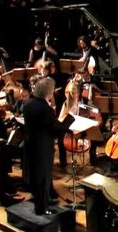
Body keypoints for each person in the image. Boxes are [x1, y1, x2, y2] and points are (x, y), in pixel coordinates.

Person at [23, 77, 76, 215]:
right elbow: (57, 129)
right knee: (43, 178)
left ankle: (45, 200)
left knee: (38, 177)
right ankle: (41, 208)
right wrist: (69, 117)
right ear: (48, 92)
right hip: (43, 148)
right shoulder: (44, 109)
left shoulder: (28, 103)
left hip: (31, 145)